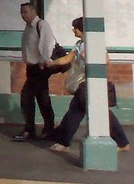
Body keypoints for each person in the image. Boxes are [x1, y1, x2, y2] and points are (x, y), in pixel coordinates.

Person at [48, 16, 129, 153]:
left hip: (90, 84)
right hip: (83, 85)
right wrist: (51, 63)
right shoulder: (79, 44)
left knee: (96, 113)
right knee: (76, 112)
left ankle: (122, 142)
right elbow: (68, 58)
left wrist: (89, 58)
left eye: (75, 28)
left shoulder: (93, 44)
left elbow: (105, 60)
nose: (73, 30)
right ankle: (63, 141)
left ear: (82, 29)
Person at [12, 2, 56, 142]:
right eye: (21, 12)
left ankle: (32, 130)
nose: (23, 15)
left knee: (27, 97)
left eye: (25, 12)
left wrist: (44, 61)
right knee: (42, 99)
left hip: (40, 68)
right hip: (31, 68)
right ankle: (48, 129)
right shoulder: (28, 27)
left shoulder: (41, 25)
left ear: (33, 11)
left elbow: (47, 44)